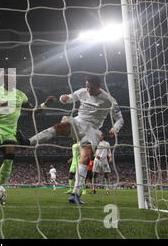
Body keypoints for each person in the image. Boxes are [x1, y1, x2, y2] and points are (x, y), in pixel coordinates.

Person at [26, 75, 124, 204]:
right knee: (60, 127)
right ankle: (28, 142)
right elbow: (68, 98)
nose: (88, 90)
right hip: (78, 122)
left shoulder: (109, 100)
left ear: (99, 86)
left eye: (91, 88)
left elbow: (120, 119)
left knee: (86, 157)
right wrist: (63, 98)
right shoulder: (82, 91)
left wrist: (115, 129)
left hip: (92, 130)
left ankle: (75, 194)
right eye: (87, 86)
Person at [0, 69, 56, 200]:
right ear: (3, 80)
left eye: (14, 79)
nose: (12, 80)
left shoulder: (20, 95)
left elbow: (32, 111)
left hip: (11, 130)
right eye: (9, 78)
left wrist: (45, 105)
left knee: (10, 157)